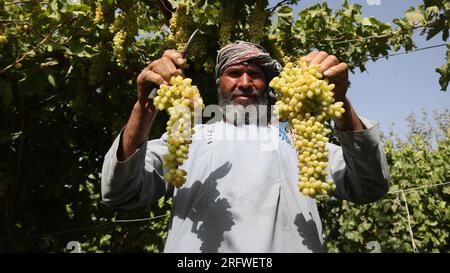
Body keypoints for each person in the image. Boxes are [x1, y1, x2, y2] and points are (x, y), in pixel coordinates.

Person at [101, 41, 390, 253]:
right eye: (234, 72)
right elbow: (118, 192)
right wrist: (144, 107)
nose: (245, 81)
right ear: (218, 84)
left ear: (267, 85)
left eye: (255, 74)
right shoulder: (188, 138)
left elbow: (369, 186)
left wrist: (338, 102)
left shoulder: (299, 138)